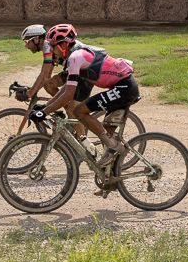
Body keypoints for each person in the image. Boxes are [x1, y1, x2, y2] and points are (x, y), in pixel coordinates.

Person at [27, 24, 138, 164]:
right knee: (107, 132)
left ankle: (113, 147)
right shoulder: (73, 56)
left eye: (54, 47)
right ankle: (112, 174)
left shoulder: (75, 57)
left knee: (79, 111)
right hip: (122, 86)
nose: (52, 51)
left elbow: (68, 94)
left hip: (124, 87)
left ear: (63, 45)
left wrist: (45, 111)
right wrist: (45, 108)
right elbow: (66, 88)